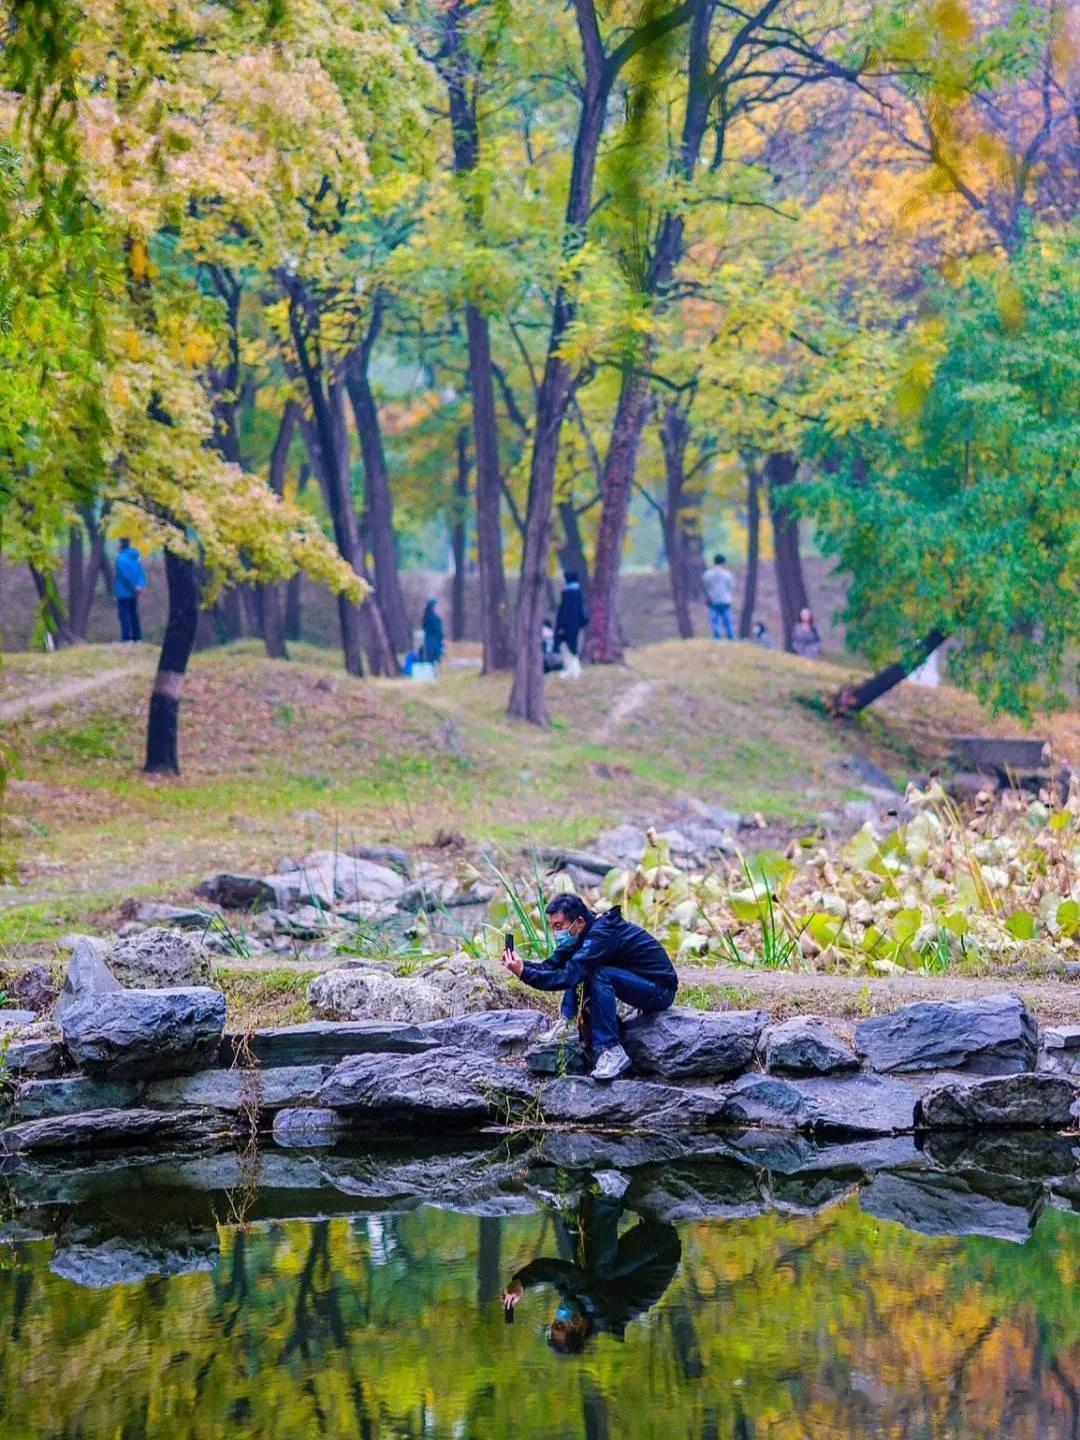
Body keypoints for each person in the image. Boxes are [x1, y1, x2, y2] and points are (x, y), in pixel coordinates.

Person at [502, 893, 677, 1081]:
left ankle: (611, 1050)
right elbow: (552, 965)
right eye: (553, 927)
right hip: (637, 983)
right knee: (579, 965)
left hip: (660, 990)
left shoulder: (601, 935)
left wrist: (524, 974)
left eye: (559, 926)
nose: (556, 933)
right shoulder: (581, 933)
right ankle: (568, 1024)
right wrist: (523, 965)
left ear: (579, 921)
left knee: (596, 972)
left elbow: (567, 977)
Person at [502, 1189, 680, 1354]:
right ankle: (609, 1193)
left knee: (586, 1266)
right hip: (663, 1248)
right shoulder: (601, 1310)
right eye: (561, 1325)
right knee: (599, 1270)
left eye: (554, 1323)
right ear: (580, 1328)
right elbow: (568, 1275)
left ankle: (571, 1208)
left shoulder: (582, 1307)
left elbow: (564, 1275)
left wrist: (522, 1281)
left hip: (649, 1248)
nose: (557, 1318)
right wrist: (523, 1282)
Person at [553, 571, 588, 676]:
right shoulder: (578, 592)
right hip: (575, 625)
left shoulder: (567, 594)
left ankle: (573, 669)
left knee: (566, 647)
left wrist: (561, 626)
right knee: (572, 647)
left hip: (566, 626)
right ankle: (574, 669)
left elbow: (564, 612)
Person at [114, 538, 147, 643]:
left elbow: (125, 576)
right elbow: (141, 573)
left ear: (121, 544)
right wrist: (140, 586)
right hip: (135, 592)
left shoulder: (120, 559)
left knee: (124, 614)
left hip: (124, 592)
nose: (116, 545)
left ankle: (127, 638)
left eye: (117, 543)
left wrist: (133, 587)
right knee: (134, 613)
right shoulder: (136, 558)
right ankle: (137, 637)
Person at [702, 553, 736, 640]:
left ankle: (717, 640)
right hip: (725, 600)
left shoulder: (707, 574)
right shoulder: (727, 574)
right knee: (728, 621)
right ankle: (731, 638)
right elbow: (731, 586)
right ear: (723, 562)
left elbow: (705, 586)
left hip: (713, 600)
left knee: (715, 621)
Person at [420, 598, 444, 668]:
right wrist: (441, 642)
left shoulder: (426, 616)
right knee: (434, 660)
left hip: (428, 641)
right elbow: (438, 632)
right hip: (434, 642)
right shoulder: (435, 618)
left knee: (429, 659)